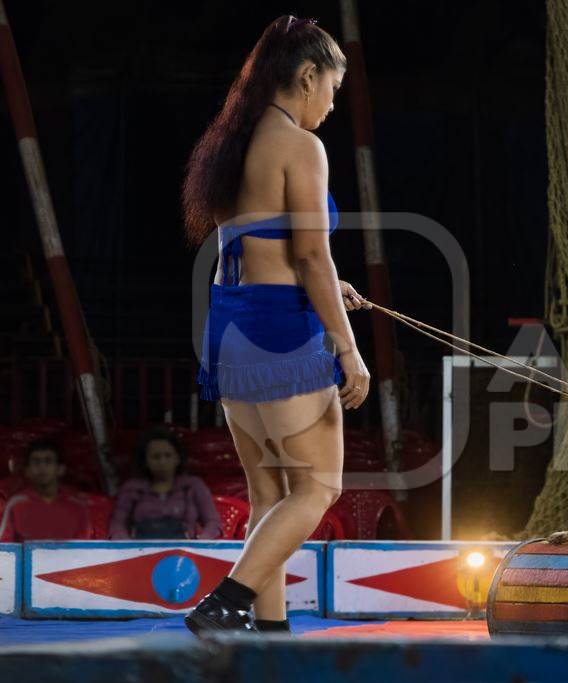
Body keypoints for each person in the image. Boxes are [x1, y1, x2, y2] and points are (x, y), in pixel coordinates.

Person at [180, 15, 370, 635]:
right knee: (319, 489)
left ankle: (269, 633)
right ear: (307, 76)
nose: (332, 105)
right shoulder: (299, 145)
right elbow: (313, 257)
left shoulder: (233, 140)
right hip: (280, 330)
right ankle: (223, 604)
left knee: (271, 497)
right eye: (333, 90)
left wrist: (325, 287)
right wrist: (349, 351)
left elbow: (268, 249)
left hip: (230, 326)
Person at [109, 427, 222, 540]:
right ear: (145, 461)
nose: (162, 462)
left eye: (168, 456)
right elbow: (117, 524)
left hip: (184, 553)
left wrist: (201, 543)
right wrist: (126, 546)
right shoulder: (132, 488)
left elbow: (213, 522)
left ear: (177, 458)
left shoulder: (194, 486)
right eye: (156, 457)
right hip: (141, 552)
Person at [0, 438, 92, 542]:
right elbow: (5, 548)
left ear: (60, 469)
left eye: (48, 461)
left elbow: (83, 550)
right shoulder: (16, 505)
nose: (42, 467)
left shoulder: (76, 506)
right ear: (27, 470)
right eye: (36, 462)